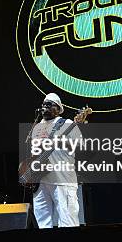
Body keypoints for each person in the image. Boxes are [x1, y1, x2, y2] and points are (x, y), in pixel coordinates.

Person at [26, 93, 82, 228]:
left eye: (49, 104)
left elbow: (80, 145)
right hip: (40, 181)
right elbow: (33, 152)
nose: (45, 106)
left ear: (58, 108)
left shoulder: (66, 123)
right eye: (44, 104)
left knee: (68, 221)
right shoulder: (37, 126)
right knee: (42, 222)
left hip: (62, 180)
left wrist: (62, 142)